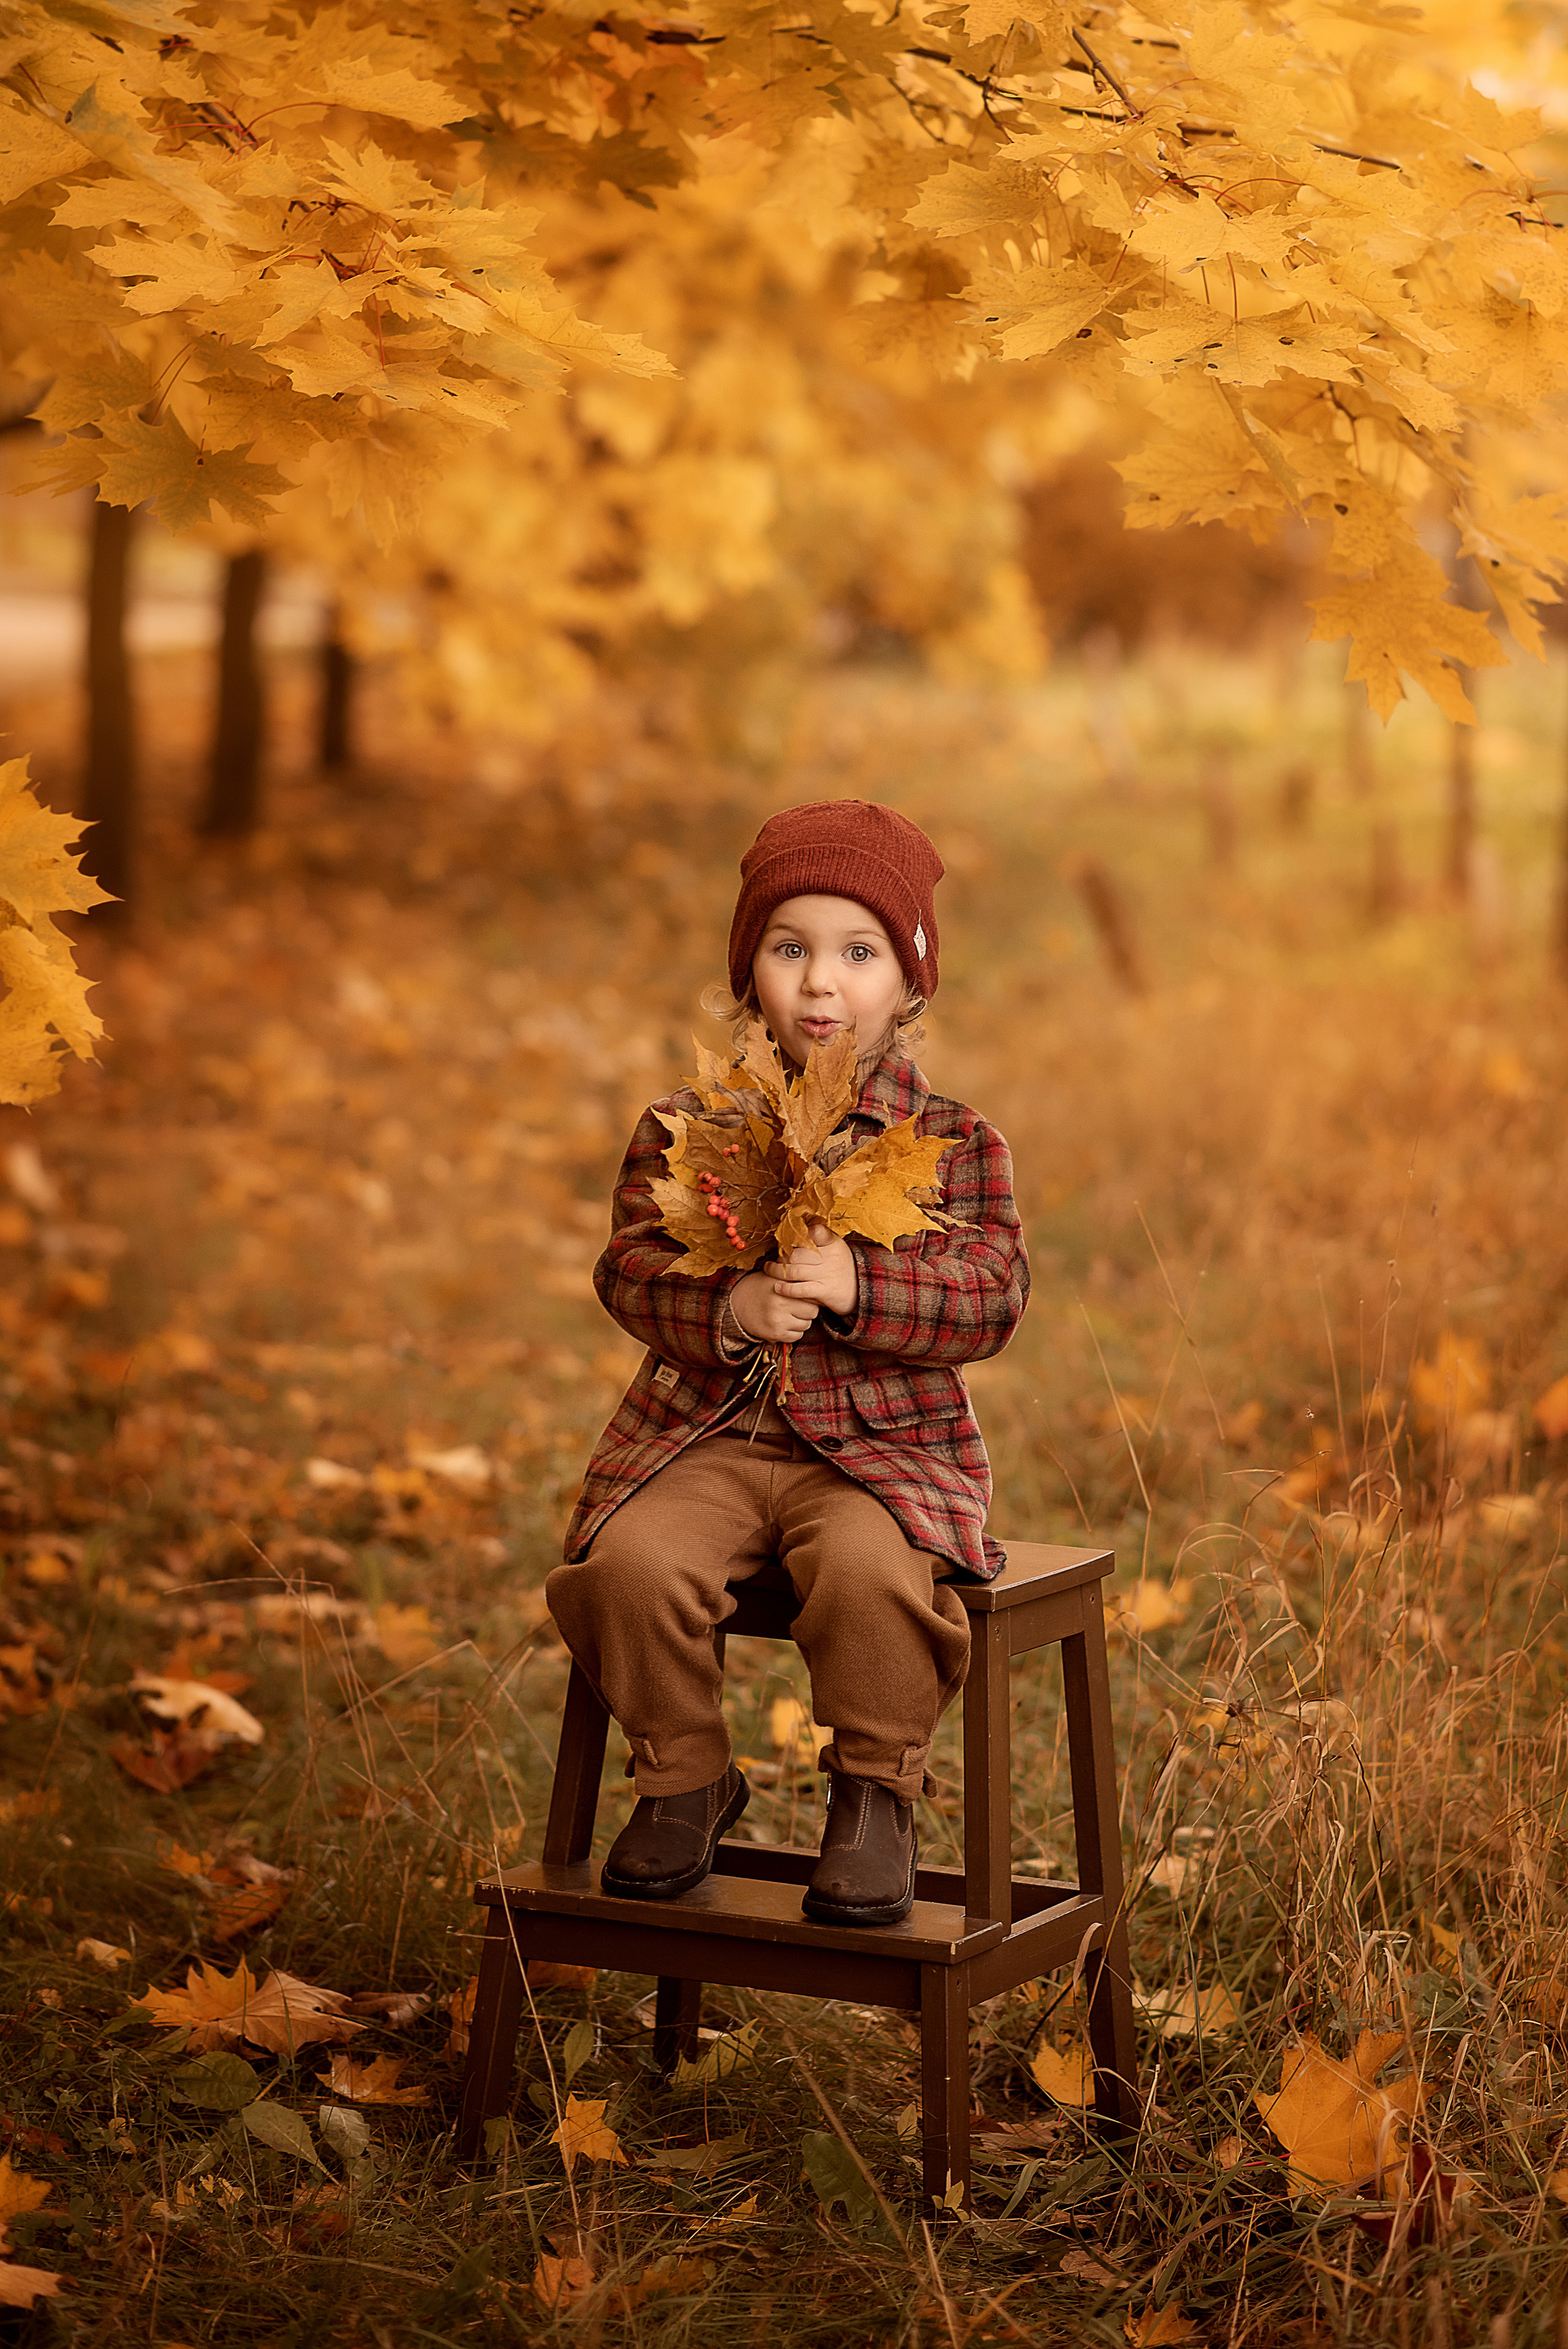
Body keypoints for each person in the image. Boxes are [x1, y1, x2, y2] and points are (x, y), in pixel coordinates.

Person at [546, 800, 1029, 1927]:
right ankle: (684, 1775)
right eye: (791, 947)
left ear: (909, 985)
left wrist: (863, 1290)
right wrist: (732, 1304)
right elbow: (628, 1270)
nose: (822, 984)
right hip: (707, 1434)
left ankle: (873, 1793)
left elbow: (992, 1296)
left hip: (877, 1454)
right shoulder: (691, 1125)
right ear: (747, 969)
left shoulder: (953, 1144)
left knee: (870, 1581)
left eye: (859, 953)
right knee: (627, 1569)